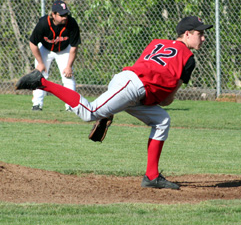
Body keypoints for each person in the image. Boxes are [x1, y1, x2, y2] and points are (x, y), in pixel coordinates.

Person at [16, 16, 213, 189]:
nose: (203, 38)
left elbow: (146, 67)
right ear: (187, 34)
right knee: (89, 112)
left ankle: (151, 176)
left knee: (162, 120)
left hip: (129, 84)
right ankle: (41, 82)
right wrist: (160, 96)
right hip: (132, 87)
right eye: (200, 33)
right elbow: (169, 98)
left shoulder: (157, 43)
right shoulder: (188, 58)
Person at [29, 0, 81, 111]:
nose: (65, 17)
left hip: (64, 50)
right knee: (40, 74)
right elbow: (33, 43)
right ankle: (37, 104)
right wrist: (40, 63)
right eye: (61, 15)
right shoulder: (43, 24)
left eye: (66, 14)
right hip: (45, 50)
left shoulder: (71, 23)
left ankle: (71, 106)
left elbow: (74, 47)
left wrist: (69, 66)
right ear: (53, 14)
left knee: (68, 77)